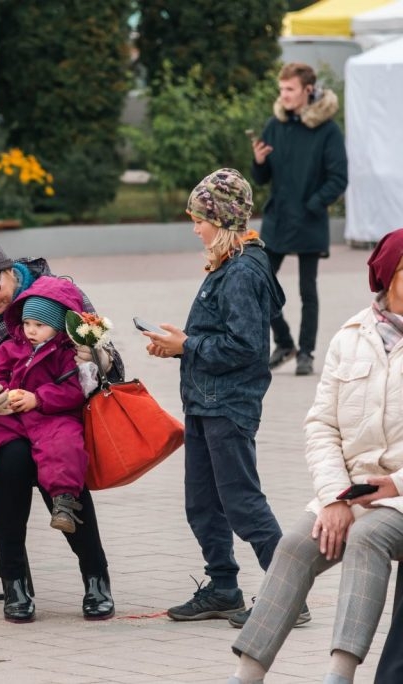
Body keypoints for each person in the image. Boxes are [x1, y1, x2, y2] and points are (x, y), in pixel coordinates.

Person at [230, 228, 403, 684]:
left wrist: (397, 485)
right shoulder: (350, 338)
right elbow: (321, 425)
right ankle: (246, 674)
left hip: (400, 496)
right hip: (352, 492)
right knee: (293, 546)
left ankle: (338, 675)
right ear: (389, 276)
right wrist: (333, 498)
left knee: (369, 539)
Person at [140, 169, 298, 625]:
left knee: (243, 504)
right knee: (203, 503)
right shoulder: (228, 265)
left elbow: (247, 347)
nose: (195, 228)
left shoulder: (243, 271)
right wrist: (178, 345)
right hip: (204, 402)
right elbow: (222, 337)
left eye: (199, 219)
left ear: (222, 219)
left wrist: (186, 345)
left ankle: (290, 595)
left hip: (228, 407)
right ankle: (224, 587)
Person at [0, 225, 123, 623]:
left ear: (10, 271)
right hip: (6, 423)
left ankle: (95, 577)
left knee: (59, 462)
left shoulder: (57, 295)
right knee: (9, 464)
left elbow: (111, 368)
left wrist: (94, 356)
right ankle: (14, 583)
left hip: (59, 413)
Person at [0, 277, 90, 534]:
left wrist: (38, 398)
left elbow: (74, 392)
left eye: (39, 325)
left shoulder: (66, 354)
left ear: (58, 327)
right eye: (26, 323)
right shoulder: (10, 348)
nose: (31, 331)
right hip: (12, 413)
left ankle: (65, 500)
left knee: (65, 443)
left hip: (50, 415)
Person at [251, 62, 348, 377]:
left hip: (309, 218)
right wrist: (259, 161)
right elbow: (262, 177)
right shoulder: (274, 125)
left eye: (290, 89)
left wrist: (314, 203)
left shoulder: (328, 130)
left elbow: (338, 177)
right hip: (278, 218)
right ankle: (284, 342)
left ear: (308, 90)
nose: (284, 95)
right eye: (282, 89)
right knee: (258, 283)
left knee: (309, 289)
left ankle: (306, 353)